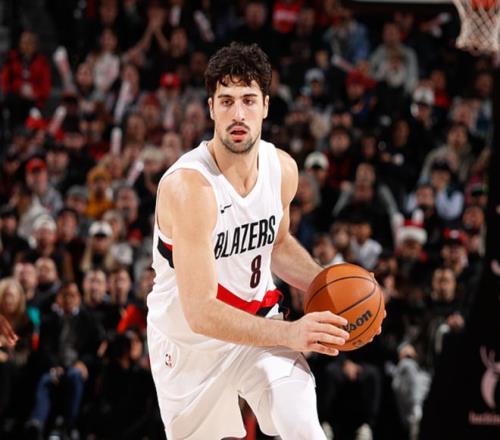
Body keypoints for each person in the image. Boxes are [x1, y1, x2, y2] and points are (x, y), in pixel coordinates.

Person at [147, 43, 382, 440]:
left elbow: (278, 244)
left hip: (260, 326)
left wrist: (339, 296)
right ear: (211, 108)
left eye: (248, 100)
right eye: (226, 101)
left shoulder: (282, 169)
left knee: (303, 427)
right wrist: (292, 334)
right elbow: (200, 311)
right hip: (189, 345)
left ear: (266, 106)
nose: (238, 114)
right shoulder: (190, 189)